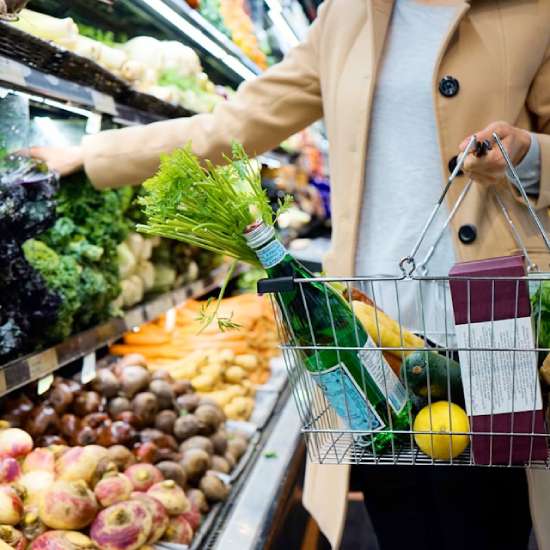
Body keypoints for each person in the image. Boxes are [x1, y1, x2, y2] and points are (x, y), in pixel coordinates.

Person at [31, 0, 550, 548]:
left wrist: (529, 155)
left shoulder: (532, 11)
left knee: (491, 522)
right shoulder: (347, 17)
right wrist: (93, 152)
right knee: (402, 518)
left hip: (494, 322)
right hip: (365, 327)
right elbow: (235, 125)